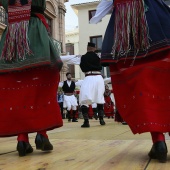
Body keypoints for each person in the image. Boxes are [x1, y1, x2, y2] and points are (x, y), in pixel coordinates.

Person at [90, 0, 170, 163]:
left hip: (125, 23)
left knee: (139, 80)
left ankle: (158, 140)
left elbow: (98, 15)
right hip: (156, 18)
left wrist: (98, 16)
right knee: (164, 77)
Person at [0, 0, 63, 156]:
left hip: (11, 38)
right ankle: (42, 134)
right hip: (35, 33)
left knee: (16, 90)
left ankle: (22, 139)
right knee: (41, 86)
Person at [79, 42, 106, 128]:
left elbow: (82, 67)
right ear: (94, 48)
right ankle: (101, 119)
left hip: (88, 77)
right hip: (98, 77)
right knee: (99, 98)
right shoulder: (99, 56)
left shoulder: (83, 57)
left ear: (87, 47)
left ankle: (86, 121)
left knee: (84, 98)